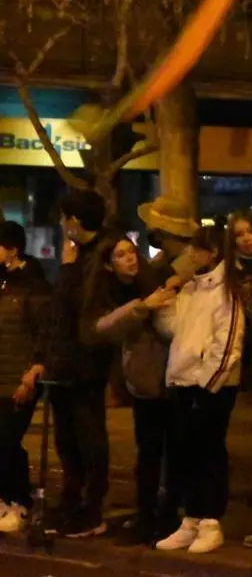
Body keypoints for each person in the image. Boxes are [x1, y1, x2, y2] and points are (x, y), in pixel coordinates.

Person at [155, 225, 245, 554]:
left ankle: (211, 520)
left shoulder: (227, 290)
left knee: (209, 451)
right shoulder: (192, 288)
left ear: (214, 253)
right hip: (182, 381)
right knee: (185, 452)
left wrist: (208, 383)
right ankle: (190, 519)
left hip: (210, 386)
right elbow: (173, 329)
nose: (192, 255)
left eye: (198, 249)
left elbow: (229, 341)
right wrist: (166, 300)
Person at [81, 234, 177, 545]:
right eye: (121, 255)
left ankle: (167, 515)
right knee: (147, 451)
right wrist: (141, 307)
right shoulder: (110, 292)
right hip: (142, 382)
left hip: (167, 377)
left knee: (168, 450)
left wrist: (148, 303)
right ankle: (147, 514)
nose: (130, 258)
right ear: (109, 265)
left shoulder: (153, 280)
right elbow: (100, 328)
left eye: (132, 252)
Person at [47, 188, 112, 538]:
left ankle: (91, 506)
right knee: (66, 438)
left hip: (85, 365)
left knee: (88, 438)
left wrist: (69, 269)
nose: (61, 224)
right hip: (65, 364)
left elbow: (79, 308)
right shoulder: (81, 255)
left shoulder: (97, 258)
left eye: (63, 218)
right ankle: (71, 499)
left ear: (73, 221)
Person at [0, 221, 52, 533]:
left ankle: (18, 501)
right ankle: (6, 498)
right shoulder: (3, 282)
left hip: (19, 379)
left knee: (6, 440)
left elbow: (44, 334)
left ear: (13, 249)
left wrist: (33, 371)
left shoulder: (35, 286)